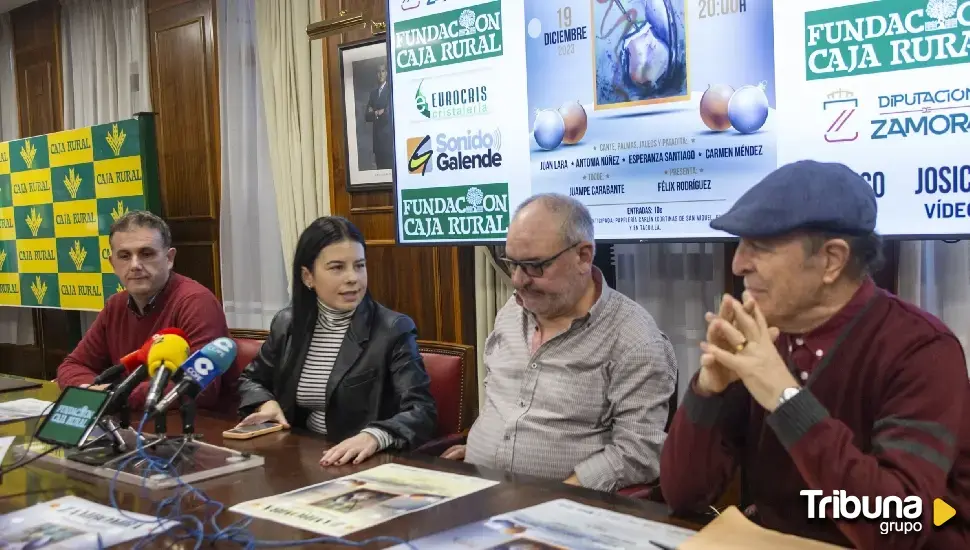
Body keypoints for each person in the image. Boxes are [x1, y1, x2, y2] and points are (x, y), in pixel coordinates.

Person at [660, 160, 970, 550]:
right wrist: (708, 390)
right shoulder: (762, 340)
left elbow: (893, 527)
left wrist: (787, 399)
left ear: (831, 261)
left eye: (759, 246)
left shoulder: (922, 350)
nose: (738, 263)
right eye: (740, 245)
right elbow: (684, 495)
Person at [442, 194, 677, 492]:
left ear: (583, 256)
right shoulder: (512, 311)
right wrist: (486, 451)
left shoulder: (634, 339)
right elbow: (502, 402)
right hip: (479, 488)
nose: (517, 280)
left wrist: (569, 490)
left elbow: (640, 451)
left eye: (534, 266)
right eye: (512, 263)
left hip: (560, 509)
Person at [235, 216, 437, 466]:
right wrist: (266, 404)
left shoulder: (392, 329)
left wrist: (374, 436)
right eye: (337, 268)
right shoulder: (287, 323)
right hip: (296, 457)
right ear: (308, 277)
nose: (353, 278)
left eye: (360, 265)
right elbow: (252, 379)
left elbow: (421, 410)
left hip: (360, 464)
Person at [57, 211, 230, 410]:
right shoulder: (115, 305)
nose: (135, 265)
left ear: (169, 258)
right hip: (130, 423)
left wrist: (115, 394)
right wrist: (89, 389)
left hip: (193, 427)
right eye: (124, 256)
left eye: (146, 254)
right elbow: (73, 365)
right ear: (112, 264)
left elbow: (198, 387)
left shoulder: (196, 302)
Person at [364, 62, 392, 170]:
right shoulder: (373, 94)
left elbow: (388, 114)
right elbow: (367, 116)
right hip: (377, 141)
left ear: (386, 73)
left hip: (388, 141)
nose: (380, 74)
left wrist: (377, 111)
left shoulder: (391, 91)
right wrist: (377, 112)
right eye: (378, 72)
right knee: (379, 172)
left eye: (383, 71)